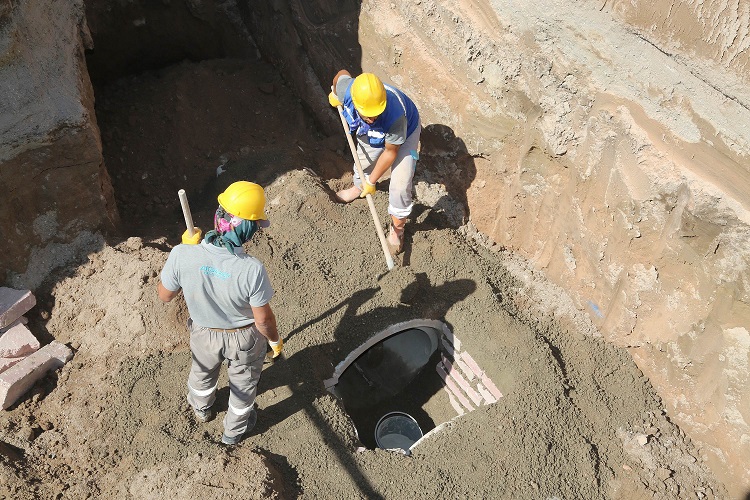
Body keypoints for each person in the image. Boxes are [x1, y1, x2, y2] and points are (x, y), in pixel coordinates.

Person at [157, 180, 284, 445]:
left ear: (219, 215)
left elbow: (165, 295)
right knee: (243, 386)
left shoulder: (182, 254)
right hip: (244, 339)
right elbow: (263, 319)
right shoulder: (252, 269)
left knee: (202, 373)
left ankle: (202, 409)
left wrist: (183, 252)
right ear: (248, 229)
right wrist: (274, 340)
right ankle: (233, 433)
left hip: (203, 333)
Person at [329, 70, 421, 254]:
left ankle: (397, 230)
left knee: (401, 185)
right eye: (368, 114)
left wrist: (372, 182)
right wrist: (334, 94)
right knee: (363, 162)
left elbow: (390, 152)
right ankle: (357, 187)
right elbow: (341, 75)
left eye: (375, 114)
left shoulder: (396, 117)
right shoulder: (348, 89)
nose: (372, 118)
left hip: (406, 133)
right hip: (373, 132)